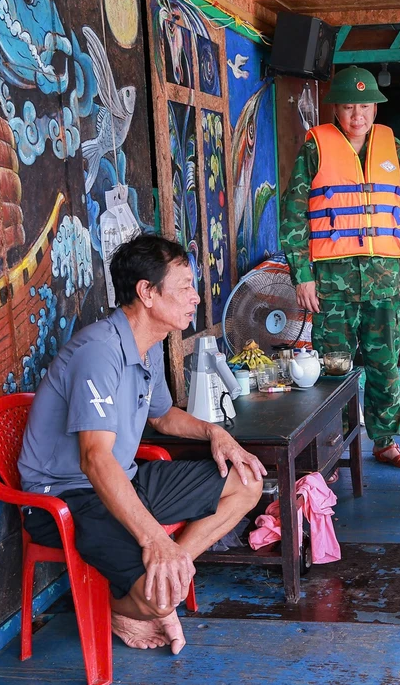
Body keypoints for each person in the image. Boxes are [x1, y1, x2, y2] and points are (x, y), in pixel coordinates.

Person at [18, 235, 265, 655]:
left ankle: (170, 576)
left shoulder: (145, 346)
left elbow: (162, 415)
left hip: (125, 480)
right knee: (157, 596)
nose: (195, 297)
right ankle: (132, 603)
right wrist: (155, 539)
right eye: (185, 285)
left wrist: (215, 433)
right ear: (147, 292)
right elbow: (94, 460)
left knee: (247, 481)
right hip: (67, 496)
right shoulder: (100, 351)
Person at [279, 65, 400, 470]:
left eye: (364, 106)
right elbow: (293, 215)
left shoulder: (394, 148)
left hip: (383, 282)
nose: (357, 115)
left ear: (375, 108)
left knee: (385, 366)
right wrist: (303, 275)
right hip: (332, 283)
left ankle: (385, 442)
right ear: (336, 110)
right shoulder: (316, 146)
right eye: (348, 107)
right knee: (332, 369)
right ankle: (330, 451)